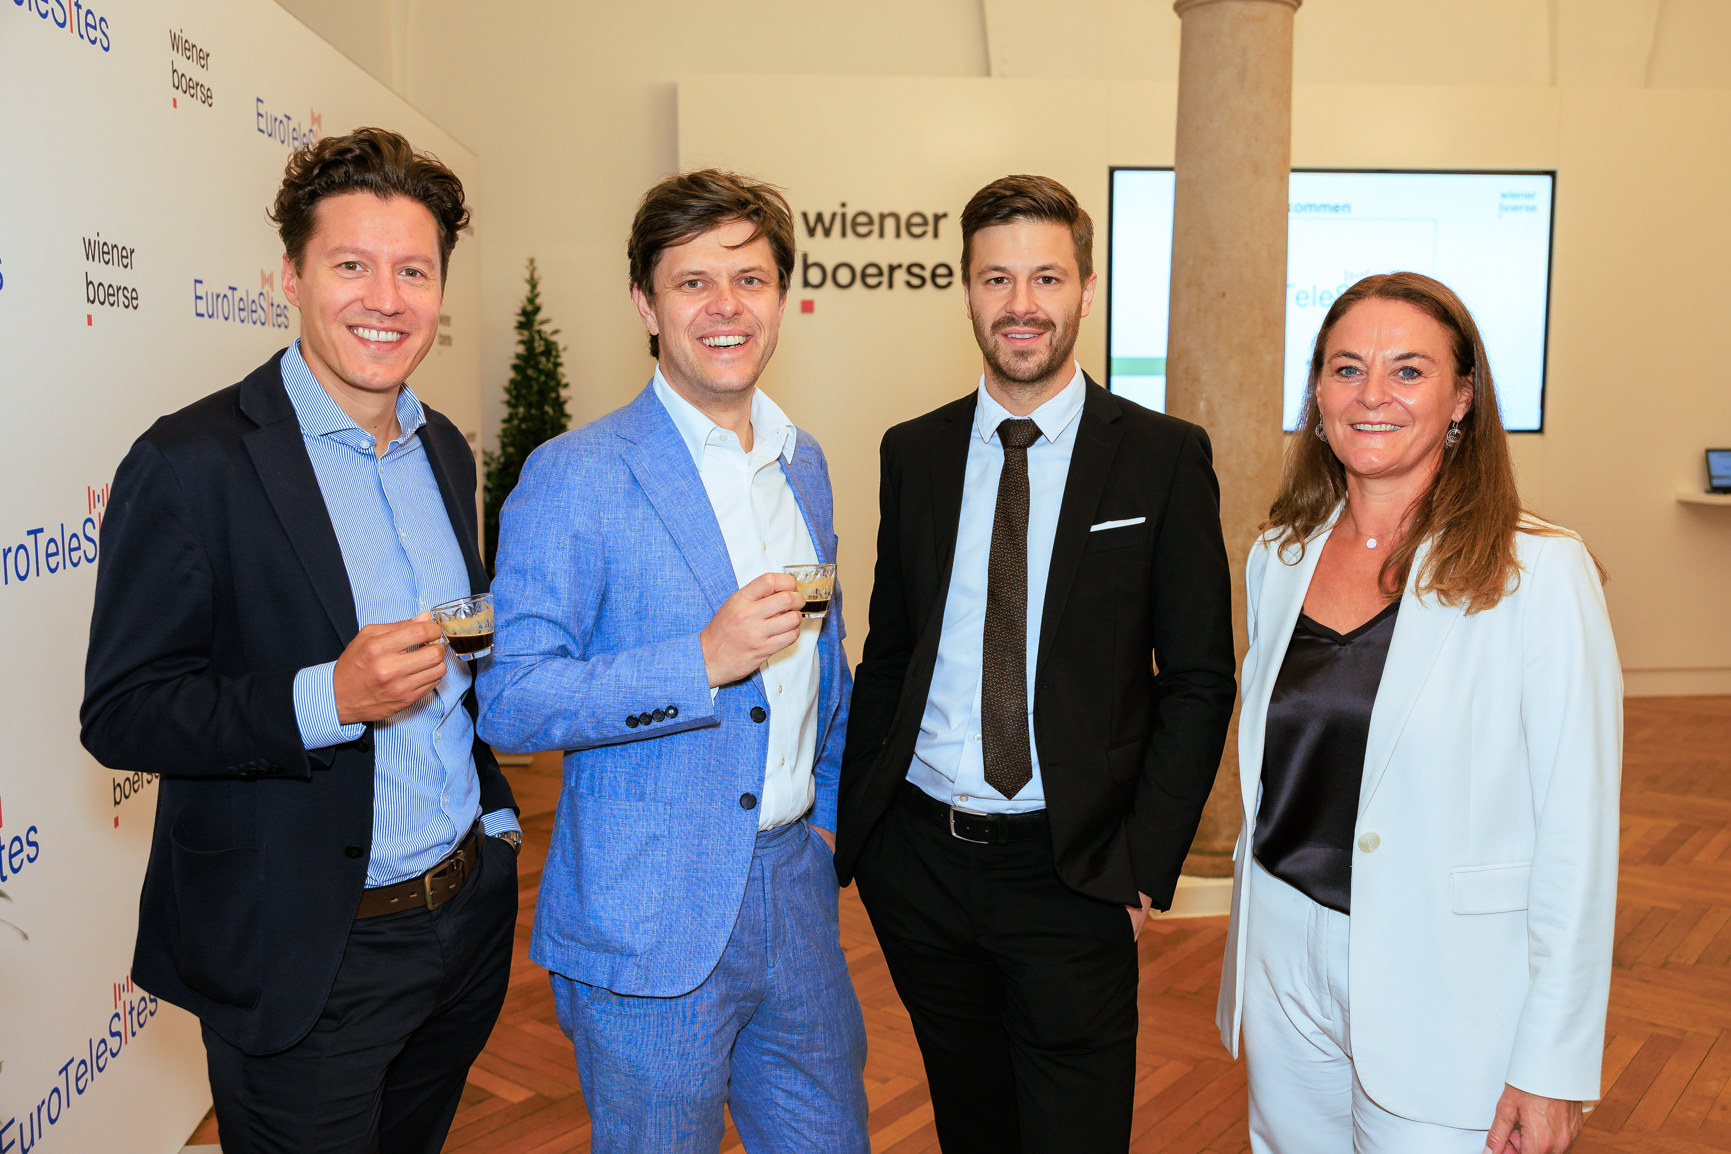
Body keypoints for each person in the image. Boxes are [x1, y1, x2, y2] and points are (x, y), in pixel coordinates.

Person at [80, 128, 521, 1153]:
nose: (386, 298)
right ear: (291, 276)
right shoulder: (190, 461)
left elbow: (456, 675)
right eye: (351, 265)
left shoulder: (444, 448)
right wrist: (329, 696)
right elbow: (124, 712)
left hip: (463, 920)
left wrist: (495, 830)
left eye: (413, 271)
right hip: (309, 956)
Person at [833, 173, 1239, 1152]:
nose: (1022, 304)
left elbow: (1197, 677)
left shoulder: (1161, 457)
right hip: (920, 865)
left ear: (1086, 288)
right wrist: (867, 836)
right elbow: (892, 653)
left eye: (1046, 277)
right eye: (997, 279)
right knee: (971, 1125)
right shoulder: (914, 452)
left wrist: (1142, 868)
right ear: (968, 291)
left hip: (1075, 869)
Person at [476, 170, 868, 1154]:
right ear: (647, 306)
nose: (725, 305)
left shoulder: (804, 462)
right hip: (648, 921)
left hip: (796, 893)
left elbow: (826, 666)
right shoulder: (574, 475)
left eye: (750, 279)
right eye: (693, 282)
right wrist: (699, 661)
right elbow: (510, 698)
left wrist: (823, 822)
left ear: (781, 297)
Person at [1215, 272, 1620, 1154]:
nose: (1371, 395)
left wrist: (1552, 1063)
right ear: (1317, 393)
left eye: (1407, 370)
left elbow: (1577, 836)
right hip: (1282, 960)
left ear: (1461, 398)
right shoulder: (1278, 556)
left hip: (1446, 982)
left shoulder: (1540, 573)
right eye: (1345, 369)